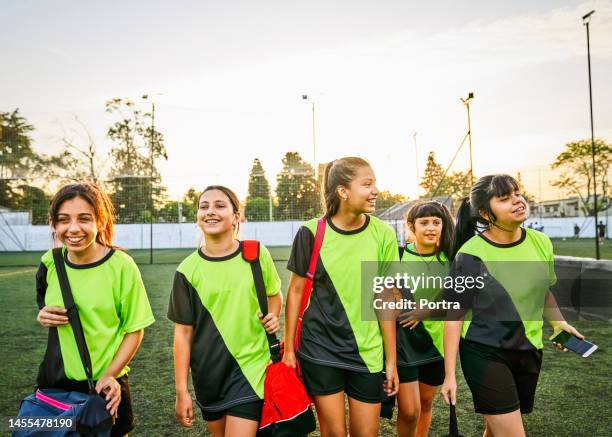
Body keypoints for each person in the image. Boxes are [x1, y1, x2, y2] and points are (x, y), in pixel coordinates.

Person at [440, 175, 583, 437]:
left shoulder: (541, 242)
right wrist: (449, 375)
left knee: (495, 431)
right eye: (504, 198)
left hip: (528, 350)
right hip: (484, 352)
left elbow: (543, 291)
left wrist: (558, 323)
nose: (517, 200)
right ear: (485, 212)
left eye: (517, 193)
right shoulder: (470, 255)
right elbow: (454, 317)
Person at [283, 157, 400, 437]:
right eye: (367, 184)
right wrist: (288, 350)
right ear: (343, 191)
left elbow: (386, 301)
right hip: (319, 348)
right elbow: (295, 292)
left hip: (367, 351)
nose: (375, 191)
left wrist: (391, 360)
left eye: (375, 184)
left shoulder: (383, 234)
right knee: (333, 433)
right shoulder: (311, 232)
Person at [36, 182, 155, 436]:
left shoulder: (121, 266)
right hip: (54, 383)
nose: (73, 228)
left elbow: (135, 330)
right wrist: (43, 314)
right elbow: (44, 305)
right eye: (64, 220)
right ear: (54, 224)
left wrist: (110, 375)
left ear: (100, 221)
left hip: (106, 387)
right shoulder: (50, 263)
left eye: (84, 219)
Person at [169, 185, 282, 437]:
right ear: (197, 217)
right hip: (209, 376)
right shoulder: (187, 271)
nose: (211, 211)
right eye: (204, 206)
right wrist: (181, 391)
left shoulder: (256, 254)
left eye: (220, 205)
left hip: (252, 369)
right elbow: (183, 335)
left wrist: (273, 315)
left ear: (236, 216)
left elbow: (275, 295)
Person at [395, 200, 454, 437]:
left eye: (436, 222)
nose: (431, 227)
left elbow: (459, 306)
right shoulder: (397, 256)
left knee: (426, 403)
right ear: (412, 226)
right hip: (405, 344)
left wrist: (425, 311)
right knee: (409, 410)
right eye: (424, 222)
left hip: (436, 345)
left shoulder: (451, 260)